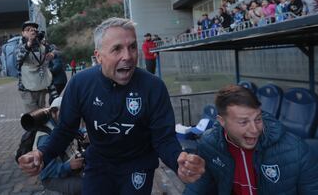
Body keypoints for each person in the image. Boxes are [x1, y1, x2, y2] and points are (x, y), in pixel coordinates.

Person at [18, 17, 205, 195]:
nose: (128, 56)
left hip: (138, 166)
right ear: (98, 56)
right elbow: (65, 130)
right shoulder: (80, 84)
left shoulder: (153, 86)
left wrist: (178, 160)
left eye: (132, 47)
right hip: (99, 165)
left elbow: (163, 138)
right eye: (117, 49)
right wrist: (42, 153)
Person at [183, 84, 318, 195]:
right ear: (222, 121)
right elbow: (197, 189)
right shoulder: (209, 145)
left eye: (258, 119)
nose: (254, 129)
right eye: (243, 122)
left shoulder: (297, 150)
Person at [29, 97, 85, 194]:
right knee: (87, 185)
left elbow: (77, 132)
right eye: (64, 113)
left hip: (66, 166)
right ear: (53, 113)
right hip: (51, 178)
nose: (69, 116)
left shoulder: (60, 124)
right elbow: (46, 172)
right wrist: (69, 166)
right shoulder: (45, 138)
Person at [15, 21, 54, 112]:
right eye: (28, 30)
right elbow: (18, 62)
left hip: (40, 85)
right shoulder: (19, 45)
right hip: (26, 87)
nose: (31, 32)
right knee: (33, 114)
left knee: (42, 112)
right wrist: (29, 43)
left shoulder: (41, 44)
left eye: (33, 30)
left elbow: (55, 50)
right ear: (23, 33)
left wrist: (52, 54)